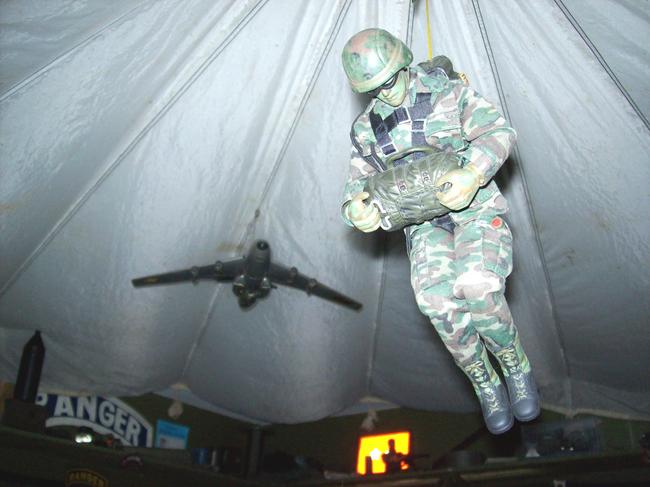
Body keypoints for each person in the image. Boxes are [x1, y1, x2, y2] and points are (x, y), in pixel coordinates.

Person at [340, 28, 539, 434]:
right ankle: (483, 380)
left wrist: (472, 172)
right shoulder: (366, 130)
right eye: (373, 90)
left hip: (474, 209)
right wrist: (356, 210)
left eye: (389, 82)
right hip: (423, 224)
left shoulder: (447, 93)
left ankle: (514, 363)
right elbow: (356, 186)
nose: (385, 94)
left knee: (477, 285)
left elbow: (499, 131)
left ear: (403, 64)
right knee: (436, 301)